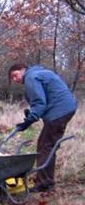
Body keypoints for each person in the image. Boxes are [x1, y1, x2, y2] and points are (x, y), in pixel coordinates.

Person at [8, 63, 77, 192]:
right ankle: (46, 180)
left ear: (23, 70)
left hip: (59, 111)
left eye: (15, 75)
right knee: (47, 145)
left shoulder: (31, 77)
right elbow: (44, 99)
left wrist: (28, 121)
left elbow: (40, 103)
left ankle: (44, 183)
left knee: (45, 146)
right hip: (64, 109)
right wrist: (31, 116)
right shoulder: (38, 74)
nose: (15, 79)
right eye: (12, 78)